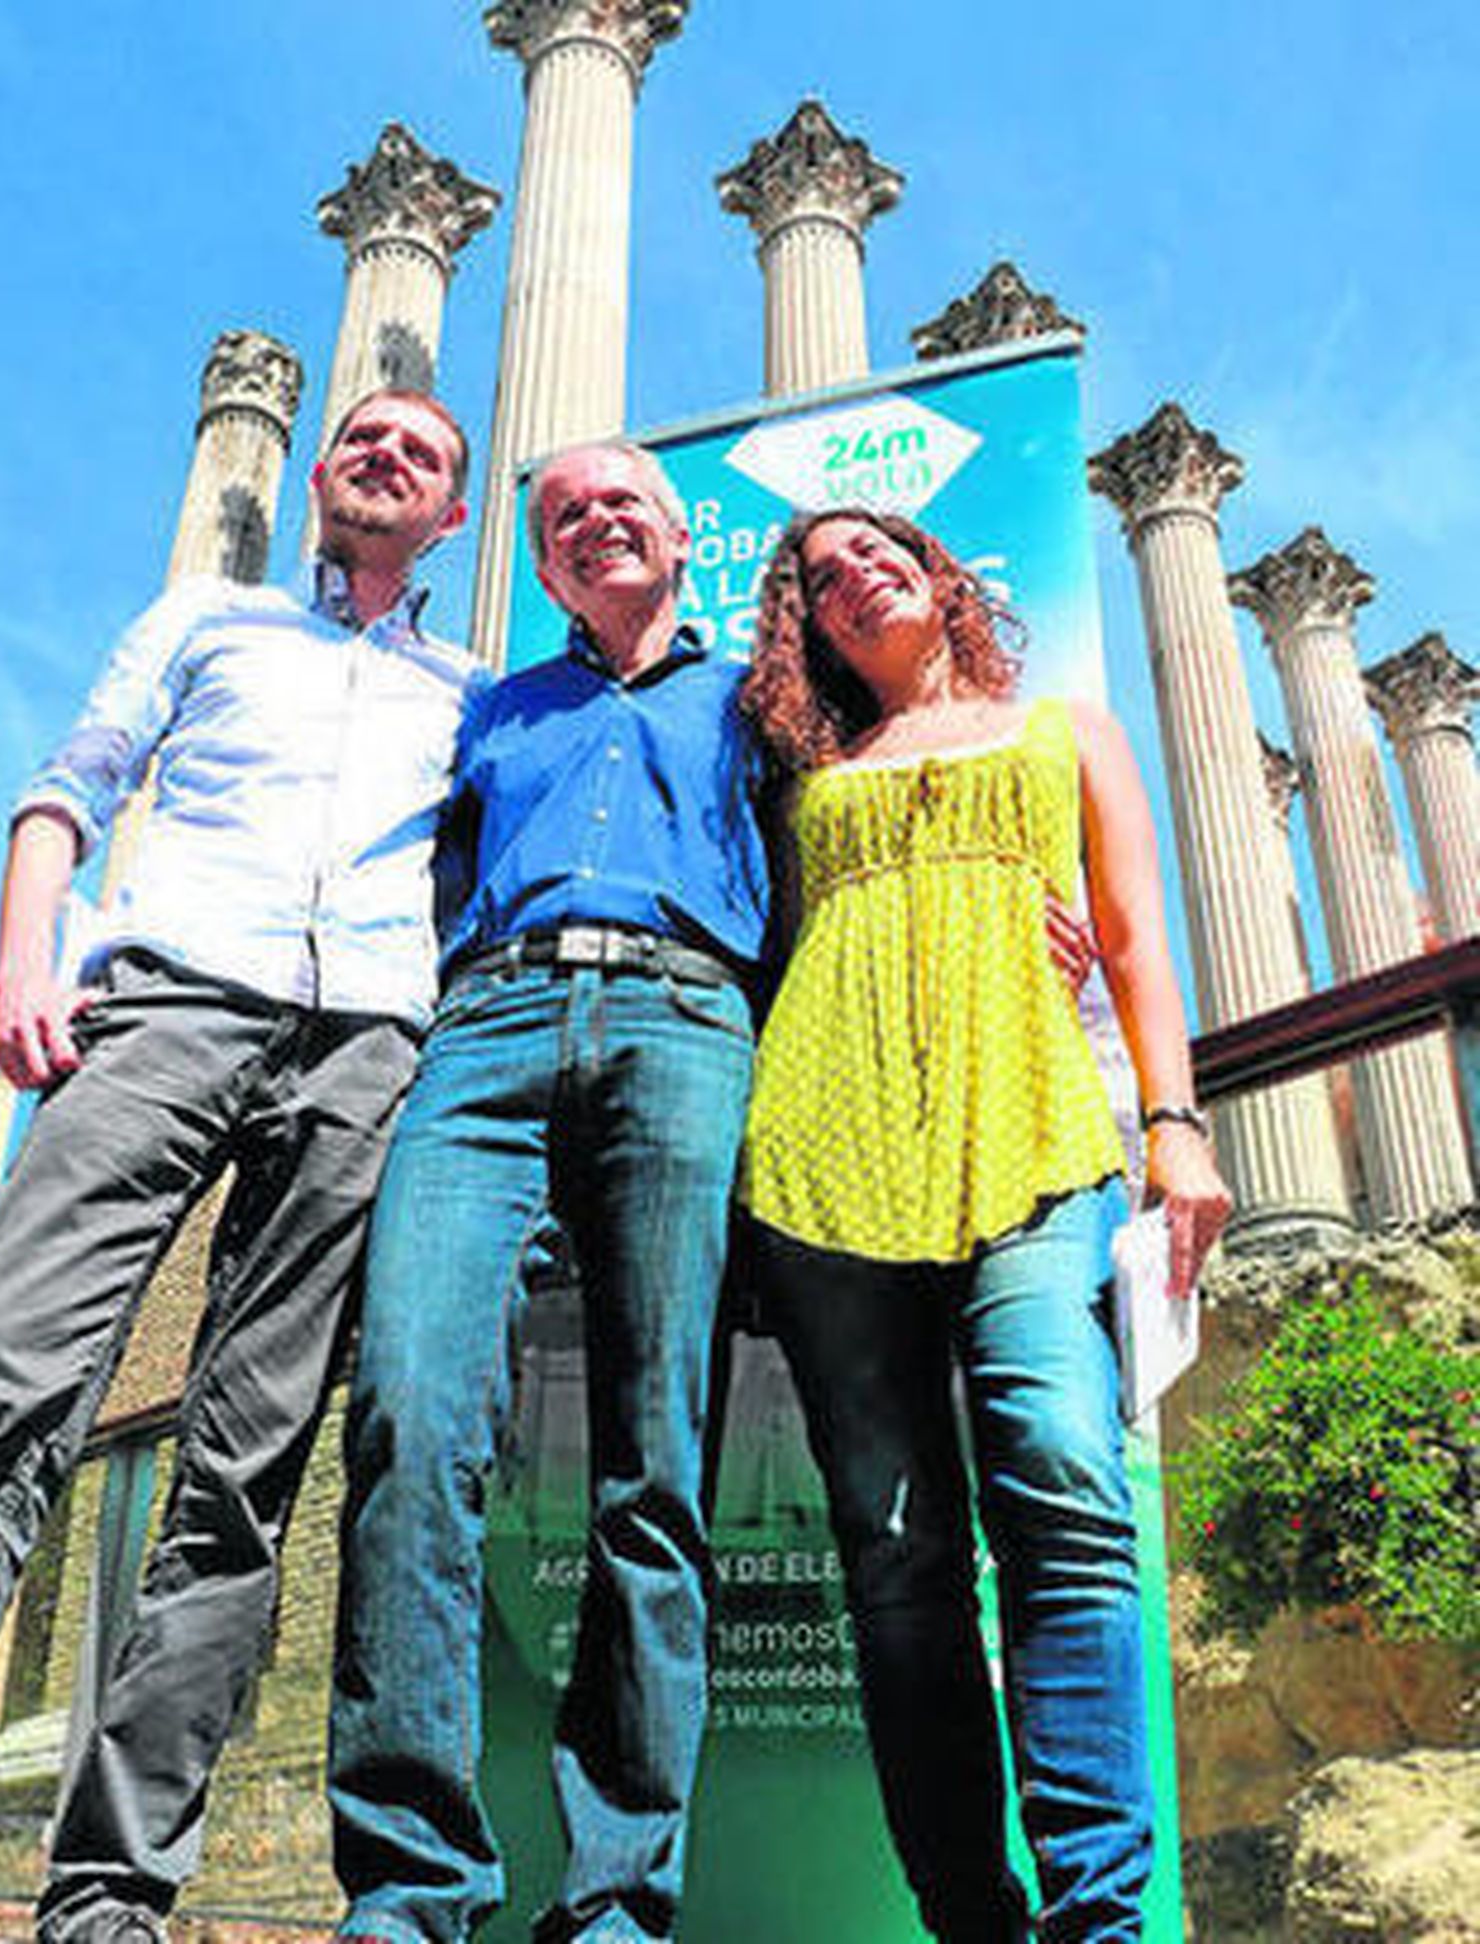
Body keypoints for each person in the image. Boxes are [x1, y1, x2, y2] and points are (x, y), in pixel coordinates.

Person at [0, 389, 479, 1944]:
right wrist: (27, 962)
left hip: (364, 1047)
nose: (383, 458)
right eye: (365, 438)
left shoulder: (471, 694)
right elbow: (69, 781)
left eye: (421, 453)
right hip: (163, 1003)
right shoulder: (208, 616)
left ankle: (110, 1895)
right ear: (327, 473)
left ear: (453, 518)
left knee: (246, 1479)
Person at [736, 509, 1231, 1941]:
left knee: (1065, 1481)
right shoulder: (801, 772)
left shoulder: (1063, 726)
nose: (852, 578)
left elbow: (1134, 933)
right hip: (822, 1159)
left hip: (1034, 1135)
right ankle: (969, 1917)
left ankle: (1100, 1916)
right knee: (894, 1551)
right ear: (809, 630)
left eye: (874, 550)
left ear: (939, 572)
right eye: (819, 579)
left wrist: (1175, 1124)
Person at [328, 439, 770, 1944]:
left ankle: (617, 1903)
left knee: (655, 1465)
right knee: (409, 1416)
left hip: (686, 1016)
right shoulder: (492, 711)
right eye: (562, 513)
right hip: (491, 1025)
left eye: (618, 500)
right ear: (540, 561)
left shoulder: (758, 699)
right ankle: (409, 1886)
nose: (593, 521)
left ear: (677, 534)